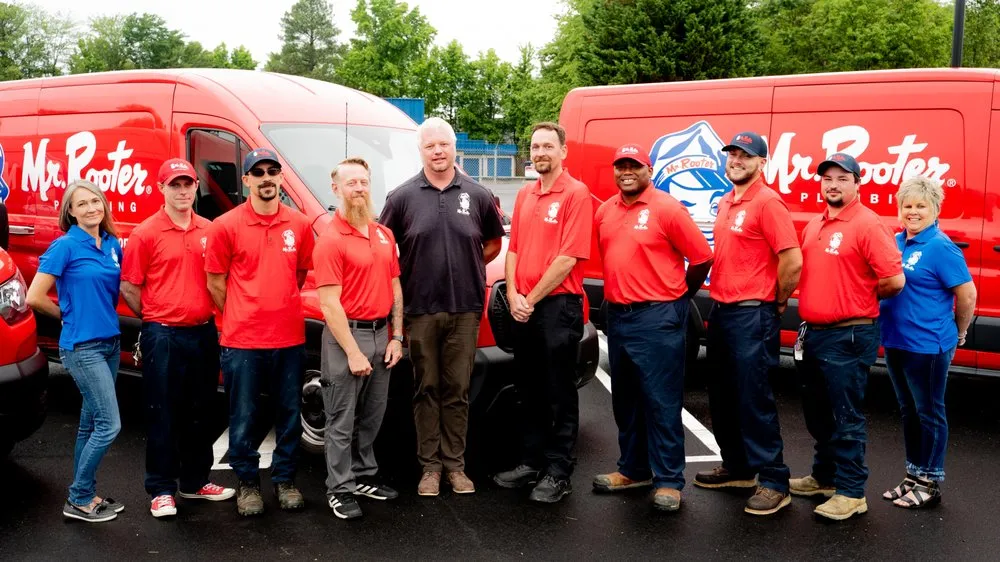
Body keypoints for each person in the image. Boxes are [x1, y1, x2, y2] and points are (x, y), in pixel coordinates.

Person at [379, 117, 505, 497]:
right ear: (421, 151)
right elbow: (385, 250)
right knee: (426, 389)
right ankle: (429, 468)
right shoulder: (401, 197)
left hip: (465, 309)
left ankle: (455, 466)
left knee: (457, 390)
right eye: (430, 145)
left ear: (454, 148)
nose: (438, 151)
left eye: (444, 145)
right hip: (420, 311)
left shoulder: (477, 194)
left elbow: (493, 244)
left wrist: (463, 266)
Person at [590, 144, 713, 512]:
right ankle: (633, 469)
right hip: (620, 316)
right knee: (625, 398)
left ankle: (669, 480)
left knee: (661, 400)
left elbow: (703, 257)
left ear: (649, 169)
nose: (627, 172)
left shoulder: (667, 208)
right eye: (621, 166)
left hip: (658, 317)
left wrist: (678, 297)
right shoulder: (605, 211)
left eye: (635, 166)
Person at [791, 152, 905, 521]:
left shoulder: (868, 223)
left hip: (850, 335)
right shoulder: (815, 224)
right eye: (827, 178)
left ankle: (852, 492)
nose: (833, 185)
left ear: (858, 183)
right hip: (816, 334)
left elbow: (894, 280)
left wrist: (856, 299)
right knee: (819, 413)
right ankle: (824, 477)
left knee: (845, 416)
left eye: (843, 178)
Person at [120, 159, 235, 519]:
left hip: (202, 332)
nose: (183, 191)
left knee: (201, 410)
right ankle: (161, 489)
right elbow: (129, 286)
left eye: (188, 184)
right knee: (163, 412)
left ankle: (195, 482)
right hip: (163, 335)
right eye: (175, 185)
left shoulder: (209, 229)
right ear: (161, 189)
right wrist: (156, 318)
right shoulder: (146, 233)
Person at [693, 132, 801, 516]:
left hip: (752, 312)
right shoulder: (727, 200)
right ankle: (739, 468)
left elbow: (792, 259)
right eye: (733, 153)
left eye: (746, 155)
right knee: (721, 394)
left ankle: (774, 480)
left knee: (753, 398)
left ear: (761, 162)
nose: (737, 159)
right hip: (722, 310)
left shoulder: (768, 203)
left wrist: (777, 300)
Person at [204, 148, 315, 516]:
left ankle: (285, 480)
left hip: (289, 337)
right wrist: (242, 312)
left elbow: (299, 275)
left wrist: (275, 303)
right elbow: (215, 282)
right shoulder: (226, 226)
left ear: (280, 178)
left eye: (273, 172)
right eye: (259, 172)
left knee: (288, 412)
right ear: (247, 179)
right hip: (243, 340)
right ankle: (248, 483)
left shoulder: (299, 225)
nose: (267, 178)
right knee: (244, 416)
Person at [492, 122, 593, 503]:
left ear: (563, 151)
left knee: (558, 392)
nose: (540, 153)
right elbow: (513, 248)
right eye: (535, 147)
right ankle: (531, 462)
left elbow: (568, 258)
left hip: (557, 307)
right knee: (529, 388)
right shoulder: (525, 194)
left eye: (548, 146)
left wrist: (529, 297)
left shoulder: (576, 194)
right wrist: (515, 294)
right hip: (526, 305)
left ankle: (558, 471)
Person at [26, 180, 125, 523]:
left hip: (111, 343)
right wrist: (68, 315)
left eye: (94, 201)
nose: (90, 208)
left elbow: (114, 291)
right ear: (70, 211)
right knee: (109, 425)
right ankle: (78, 498)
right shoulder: (64, 246)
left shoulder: (112, 244)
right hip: (82, 348)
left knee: (90, 423)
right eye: (81, 204)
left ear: (103, 205)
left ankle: (87, 494)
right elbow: (34, 297)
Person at [313, 158, 404, 520]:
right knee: (341, 418)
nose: (359, 189)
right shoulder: (331, 240)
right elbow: (329, 304)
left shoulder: (384, 234)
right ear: (336, 189)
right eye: (351, 183)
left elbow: (396, 287)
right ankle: (339, 488)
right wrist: (352, 352)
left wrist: (397, 336)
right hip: (345, 338)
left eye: (364, 182)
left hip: (382, 335)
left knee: (372, 416)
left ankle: (364, 475)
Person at [878, 177, 976, 509]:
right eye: (908, 205)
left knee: (930, 412)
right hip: (896, 342)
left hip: (929, 345)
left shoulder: (941, 247)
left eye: (921, 206)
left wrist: (959, 333)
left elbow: (967, 295)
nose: (914, 212)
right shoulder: (896, 241)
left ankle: (930, 482)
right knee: (909, 412)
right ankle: (913, 474)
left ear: (935, 209)